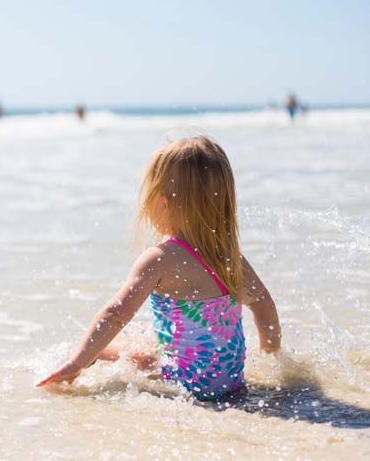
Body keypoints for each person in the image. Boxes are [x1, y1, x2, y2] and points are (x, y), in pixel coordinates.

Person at [37, 136, 282, 400]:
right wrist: (270, 357)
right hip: (230, 383)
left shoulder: (160, 259)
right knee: (144, 335)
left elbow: (116, 314)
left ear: (163, 203)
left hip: (185, 384)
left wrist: (77, 362)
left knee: (103, 348)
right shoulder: (231, 258)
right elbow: (264, 305)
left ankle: (65, 364)